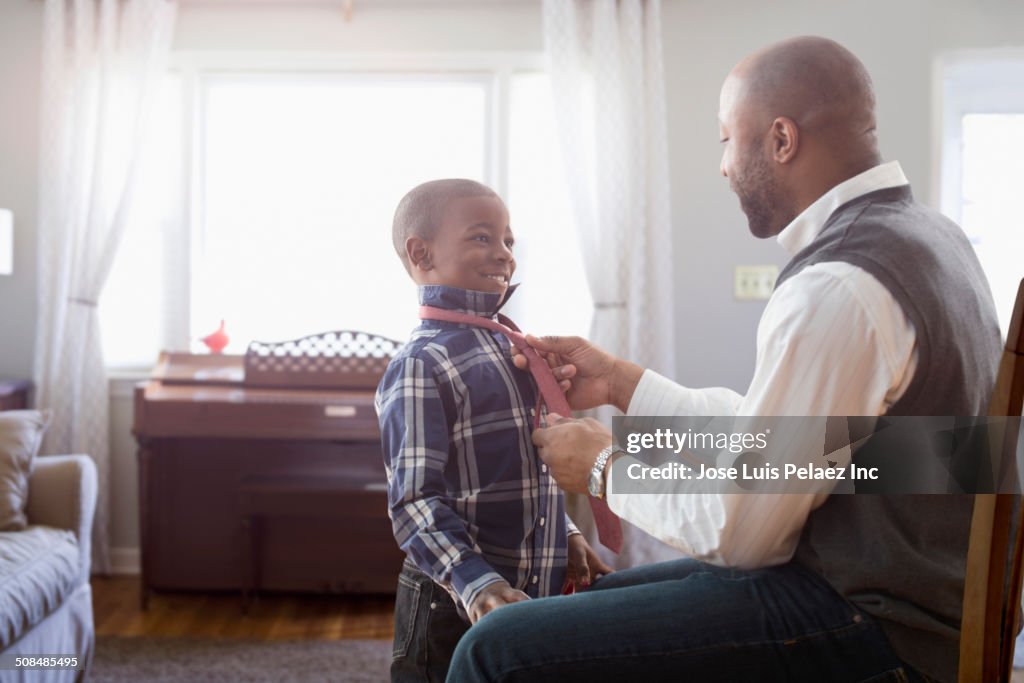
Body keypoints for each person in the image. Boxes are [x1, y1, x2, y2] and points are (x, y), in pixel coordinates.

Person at [446, 36, 1002, 683]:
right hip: (910, 594)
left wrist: (603, 467)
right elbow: (791, 447)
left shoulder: (840, 286)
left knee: (496, 648)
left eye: (724, 140)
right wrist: (626, 384)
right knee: (587, 607)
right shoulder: (931, 238)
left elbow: (741, 530)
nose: (723, 166)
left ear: (781, 139)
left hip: (877, 627)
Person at [376, 178, 611, 683]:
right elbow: (415, 501)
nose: (504, 254)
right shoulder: (421, 363)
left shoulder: (513, 349)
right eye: (482, 238)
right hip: (452, 605)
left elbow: (528, 467)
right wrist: (477, 584)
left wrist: (567, 533)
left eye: (508, 241)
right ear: (422, 254)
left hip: (530, 595)